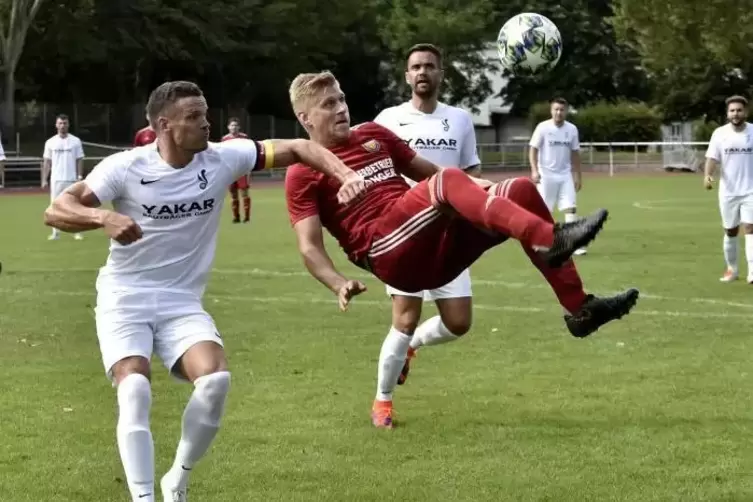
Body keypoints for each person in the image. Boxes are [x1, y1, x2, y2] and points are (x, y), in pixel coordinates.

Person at [43, 80, 364, 502]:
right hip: (126, 297)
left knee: (216, 381)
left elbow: (300, 148)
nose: (205, 124)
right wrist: (103, 219)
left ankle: (177, 477)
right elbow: (57, 209)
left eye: (206, 114)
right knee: (135, 387)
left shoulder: (222, 159)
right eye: (194, 117)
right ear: (164, 125)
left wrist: (346, 173)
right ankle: (142, 498)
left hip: (181, 301)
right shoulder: (125, 167)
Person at [284, 71, 640, 429]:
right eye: (329, 104)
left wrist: (481, 187)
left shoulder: (373, 135)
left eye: (342, 99)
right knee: (447, 186)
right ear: (305, 118)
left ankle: (580, 309)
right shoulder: (302, 171)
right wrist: (337, 283)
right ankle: (549, 237)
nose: (341, 108)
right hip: (389, 252)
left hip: (432, 242)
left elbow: (426, 170)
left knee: (517, 189)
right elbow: (309, 246)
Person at [372, 43, 481, 410]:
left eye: (429, 66)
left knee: (459, 322)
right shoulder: (388, 119)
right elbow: (375, 172)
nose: (422, 72)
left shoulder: (461, 120)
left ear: (440, 74)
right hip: (405, 232)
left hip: (449, 234)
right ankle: (383, 401)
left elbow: (470, 174)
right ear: (407, 76)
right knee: (403, 319)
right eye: (416, 66)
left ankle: (414, 347)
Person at [704, 95, 753, 283]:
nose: (736, 114)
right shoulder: (720, 134)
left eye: (739, 110)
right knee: (730, 231)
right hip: (728, 191)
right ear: (727, 113)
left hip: (751, 190)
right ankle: (732, 270)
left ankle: (752, 271)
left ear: (745, 112)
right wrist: (708, 176)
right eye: (732, 110)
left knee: (750, 228)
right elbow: (712, 158)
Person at [529, 98, 586, 255]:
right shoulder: (543, 128)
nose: (559, 112)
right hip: (546, 175)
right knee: (545, 210)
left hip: (565, 174)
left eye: (562, 110)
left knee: (571, 207)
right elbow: (533, 149)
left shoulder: (572, 129)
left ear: (566, 111)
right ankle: (543, 241)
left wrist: (578, 176)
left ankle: (572, 244)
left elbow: (575, 153)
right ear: (551, 110)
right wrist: (534, 170)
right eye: (556, 109)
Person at [41, 114, 85, 240]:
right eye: (60, 123)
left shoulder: (75, 141)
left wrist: (80, 176)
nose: (62, 126)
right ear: (56, 125)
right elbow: (47, 162)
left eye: (65, 123)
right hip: (56, 179)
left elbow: (79, 159)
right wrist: (44, 179)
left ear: (68, 124)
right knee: (55, 207)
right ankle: (55, 233)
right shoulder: (50, 142)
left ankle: (77, 231)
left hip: (72, 179)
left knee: (75, 206)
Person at [222, 117, 251, 223]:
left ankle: (247, 217)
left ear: (239, 127)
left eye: (235, 125)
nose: (234, 127)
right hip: (231, 171)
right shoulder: (225, 139)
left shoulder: (244, 138)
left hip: (242, 169)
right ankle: (236, 217)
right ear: (228, 127)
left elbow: (249, 152)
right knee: (233, 194)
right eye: (232, 125)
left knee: (244, 193)